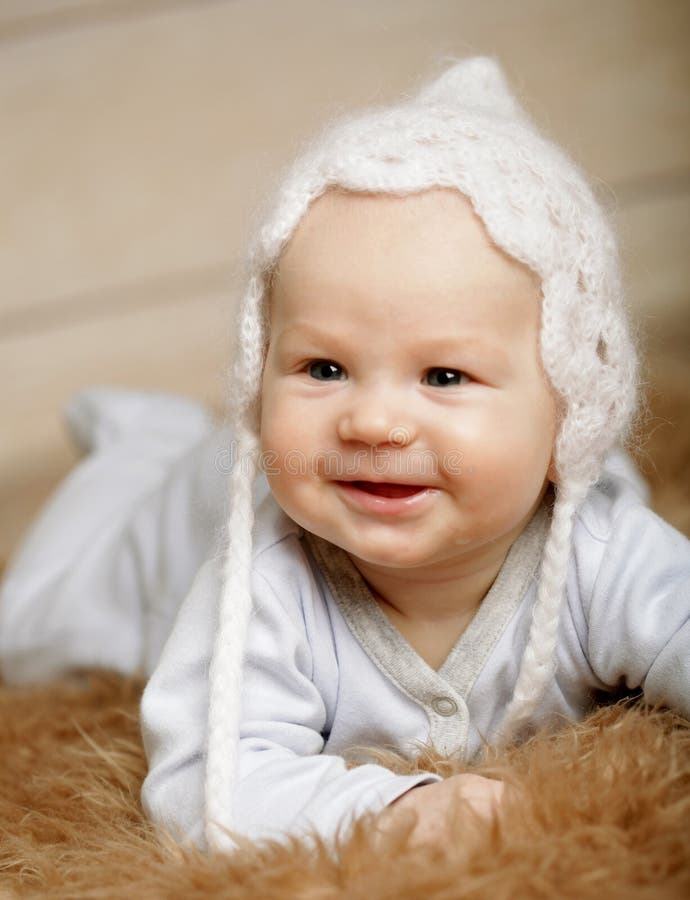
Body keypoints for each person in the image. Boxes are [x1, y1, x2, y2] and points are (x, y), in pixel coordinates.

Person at [139, 57, 690, 854]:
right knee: (48, 614)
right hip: (169, 521)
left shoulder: (603, 551)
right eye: (323, 368)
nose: (372, 422)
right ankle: (136, 442)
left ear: (570, 409)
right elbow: (205, 782)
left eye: (444, 375)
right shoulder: (265, 578)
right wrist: (394, 811)